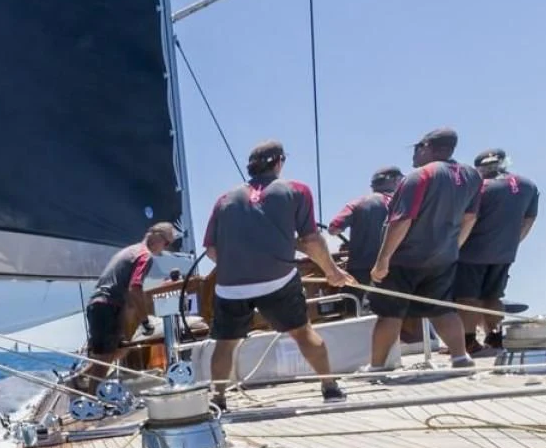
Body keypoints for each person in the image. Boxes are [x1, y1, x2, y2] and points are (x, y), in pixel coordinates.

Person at [204, 140, 351, 408]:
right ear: (279, 162)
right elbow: (310, 241)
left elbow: (212, 251)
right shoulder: (296, 190)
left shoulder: (223, 200)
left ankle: (218, 399)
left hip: (230, 286)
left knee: (225, 343)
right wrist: (332, 272)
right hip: (278, 281)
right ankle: (330, 388)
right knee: (303, 333)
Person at [366, 127, 483, 370]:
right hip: (442, 258)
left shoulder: (420, 176)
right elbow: (470, 218)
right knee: (440, 308)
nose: (415, 155)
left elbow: (401, 220)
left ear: (427, 147)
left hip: (405, 259)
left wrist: (382, 261)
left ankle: (376, 367)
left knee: (390, 313)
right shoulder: (472, 176)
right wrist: (453, 247)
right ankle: (461, 358)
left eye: (417, 148)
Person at [79, 222, 179, 395]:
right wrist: (145, 320)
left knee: (119, 350)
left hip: (100, 305)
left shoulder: (130, 250)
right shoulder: (144, 255)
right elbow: (135, 288)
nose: (164, 249)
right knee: (104, 359)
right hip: (107, 306)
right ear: (155, 236)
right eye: (167, 243)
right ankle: (94, 401)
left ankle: (80, 377)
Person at [455, 148, 539, 352]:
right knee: (493, 296)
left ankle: (468, 341)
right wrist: (512, 242)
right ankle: (495, 337)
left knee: (466, 297)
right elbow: (529, 219)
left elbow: (467, 218)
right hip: (504, 253)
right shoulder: (528, 185)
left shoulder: (479, 187)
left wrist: (453, 246)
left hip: (471, 252)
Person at [328, 166, 402, 286]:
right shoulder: (400, 205)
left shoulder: (358, 203)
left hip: (359, 271)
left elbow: (334, 229)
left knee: (355, 302)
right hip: (393, 271)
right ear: (395, 181)